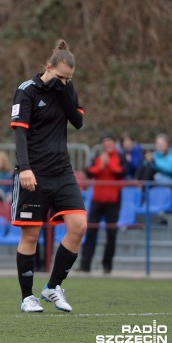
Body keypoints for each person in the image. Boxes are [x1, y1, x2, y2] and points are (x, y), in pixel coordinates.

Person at [10, 39, 86, 313]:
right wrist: (25, 168)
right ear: (48, 67)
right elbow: (20, 132)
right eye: (60, 76)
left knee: (78, 226)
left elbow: (77, 122)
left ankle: (53, 287)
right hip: (34, 171)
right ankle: (27, 297)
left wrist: (64, 90)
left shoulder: (66, 88)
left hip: (62, 171)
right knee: (31, 236)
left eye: (69, 79)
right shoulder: (26, 91)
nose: (64, 82)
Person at [79, 133, 127, 273]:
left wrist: (109, 164)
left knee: (111, 234)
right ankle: (85, 265)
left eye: (109, 142)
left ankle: (107, 266)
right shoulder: (97, 158)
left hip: (113, 201)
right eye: (104, 142)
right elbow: (89, 172)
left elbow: (121, 172)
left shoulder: (121, 158)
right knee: (91, 231)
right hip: (97, 200)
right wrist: (100, 166)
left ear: (114, 143)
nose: (107, 145)